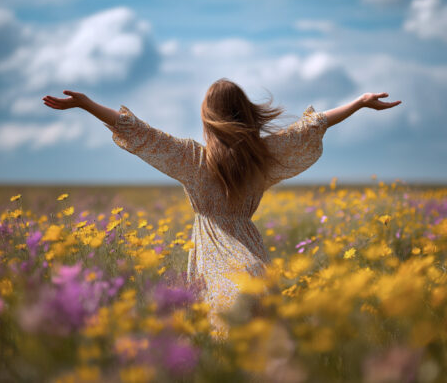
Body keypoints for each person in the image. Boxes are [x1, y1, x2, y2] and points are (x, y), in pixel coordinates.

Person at [43, 78, 401, 336]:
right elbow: (313, 126)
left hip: (216, 256)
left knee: (220, 336)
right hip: (252, 253)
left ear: (207, 117)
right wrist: (358, 102)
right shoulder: (263, 157)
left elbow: (138, 132)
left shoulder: (191, 158)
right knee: (262, 340)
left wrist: (86, 105)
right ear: (246, 114)